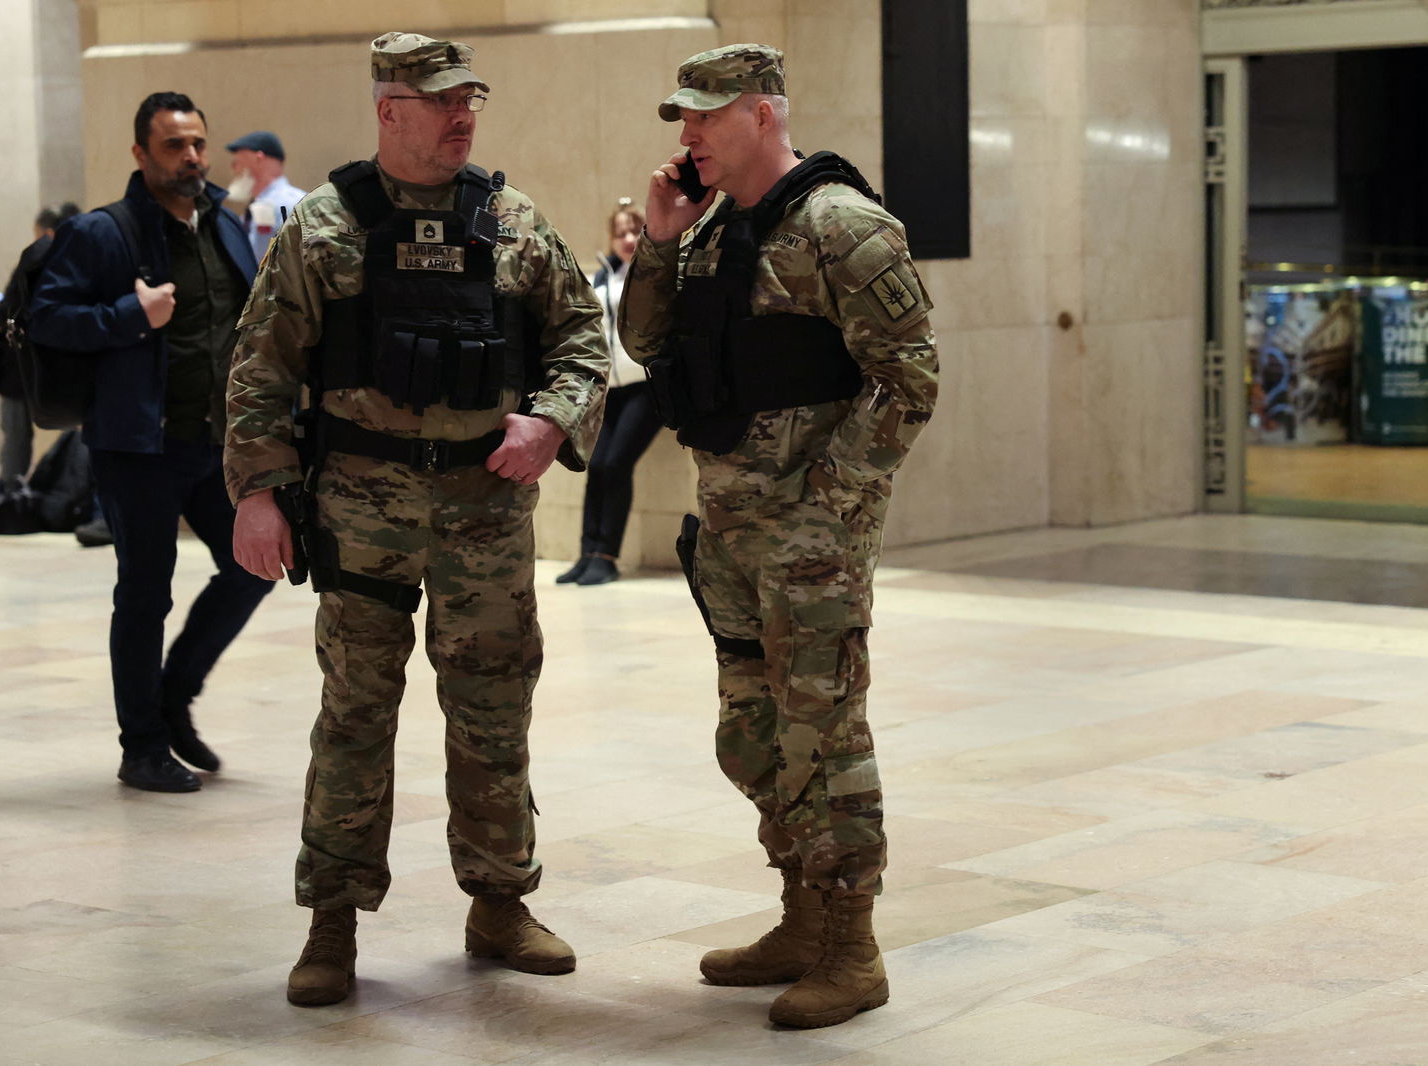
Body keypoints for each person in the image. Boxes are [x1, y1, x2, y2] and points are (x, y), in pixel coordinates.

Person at [224, 33, 609, 1007]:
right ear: (388, 109)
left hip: (485, 509)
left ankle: (500, 901)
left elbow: (581, 340)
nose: (460, 115)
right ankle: (332, 920)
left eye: (468, 96)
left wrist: (550, 420)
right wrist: (260, 490)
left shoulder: (510, 219)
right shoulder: (324, 226)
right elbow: (261, 365)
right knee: (355, 711)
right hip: (361, 506)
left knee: (493, 707)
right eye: (439, 100)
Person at [619, 44, 939, 1029]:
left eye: (704, 117)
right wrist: (662, 244)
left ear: (761, 113)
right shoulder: (711, 229)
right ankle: (802, 913)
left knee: (824, 735)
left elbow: (907, 379)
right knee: (748, 735)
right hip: (729, 534)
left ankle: (852, 945)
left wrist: (829, 505)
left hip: (810, 538)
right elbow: (642, 343)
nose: (689, 137)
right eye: (681, 119)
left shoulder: (842, 227)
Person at [29, 91, 275, 793]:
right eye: (174, 145)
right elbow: (47, 318)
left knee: (254, 567)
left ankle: (173, 696)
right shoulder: (102, 234)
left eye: (198, 143)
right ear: (141, 154)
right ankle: (141, 746)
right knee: (144, 593)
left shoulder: (222, 226)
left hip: (215, 442)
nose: (192, 157)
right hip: (137, 445)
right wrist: (129, 315)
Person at [554, 201, 662, 587]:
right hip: (609, 391)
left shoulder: (651, 276)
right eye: (621, 233)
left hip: (645, 388)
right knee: (596, 466)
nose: (628, 239)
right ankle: (587, 553)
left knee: (616, 464)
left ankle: (606, 555)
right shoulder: (601, 279)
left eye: (635, 230)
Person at [0, 203, 78, 514]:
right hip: (65, 365)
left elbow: (4, 312)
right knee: (73, 432)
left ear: (48, 232)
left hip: (20, 366)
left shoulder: (34, 260)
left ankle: (10, 497)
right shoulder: (80, 263)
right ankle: (73, 496)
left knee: (16, 434)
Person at [225, 130, 306, 262]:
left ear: (258, 158)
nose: (234, 169)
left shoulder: (291, 204)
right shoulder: (258, 206)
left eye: (237, 162)